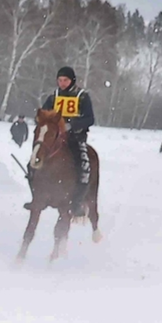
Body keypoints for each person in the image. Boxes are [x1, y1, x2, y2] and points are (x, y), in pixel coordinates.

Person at [41, 66, 94, 213]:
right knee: (37, 157)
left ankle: (77, 201)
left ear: (72, 80)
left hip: (75, 138)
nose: (62, 83)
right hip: (55, 137)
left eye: (65, 80)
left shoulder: (82, 96)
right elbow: (44, 114)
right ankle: (37, 195)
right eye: (60, 80)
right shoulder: (53, 96)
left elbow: (90, 119)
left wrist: (72, 124)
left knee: (83, 166)